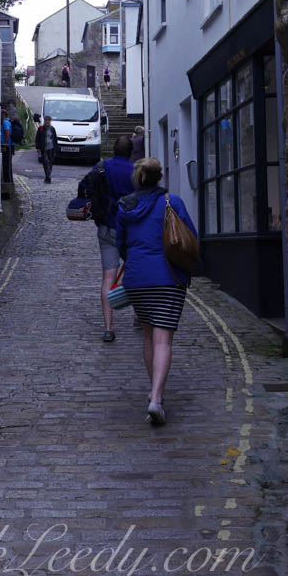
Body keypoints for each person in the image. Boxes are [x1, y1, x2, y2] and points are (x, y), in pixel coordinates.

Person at [116, 157, 197, 426]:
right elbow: (190, 239)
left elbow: (120, 244)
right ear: (160, 176)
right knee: (163, 341)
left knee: (149, 336)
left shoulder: (125, 206)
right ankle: (156, 398)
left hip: (136, 279)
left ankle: (154, 391)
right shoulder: (173, 202)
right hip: (167, 278)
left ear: (138, 177)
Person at [79, 135, 135, 343]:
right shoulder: (136, 171)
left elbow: (84, 186)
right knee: (136, 274)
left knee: (108, 279)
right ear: (131, 152)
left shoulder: (102, 167)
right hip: (130, 232)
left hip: (107, 227)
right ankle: (139, 316)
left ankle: (109, 328)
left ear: (113, 150)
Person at [35, 115, 58, 183]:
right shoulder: (41, 128)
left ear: (50, 121)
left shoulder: (52, 129)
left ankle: (47, 177)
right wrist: (38, 147)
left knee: (50, 163)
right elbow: (37, 138)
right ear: (44, 121)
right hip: (44, 148)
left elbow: (55, 139)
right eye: (46, 120)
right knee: (45, 163)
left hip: (51, 148)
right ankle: (48, 177)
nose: (47, 121)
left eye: (48, 120)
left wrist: (56, 148)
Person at [0, 108, 13, 183]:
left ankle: (7, 182)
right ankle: (8, 181)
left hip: (7, 146)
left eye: (1, 114)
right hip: (7, 145)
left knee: (6, 165)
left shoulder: (5, 122)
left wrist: (4, 145)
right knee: (6, 165)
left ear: (4, 115)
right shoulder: (6, 122)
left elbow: (7, 133)